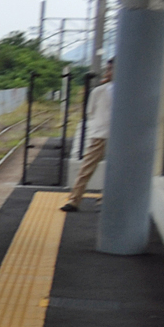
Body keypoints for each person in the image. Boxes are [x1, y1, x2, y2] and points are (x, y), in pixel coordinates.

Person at [63, 59, 113, 212]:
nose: (107, 72)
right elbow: (90, 112)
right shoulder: (99, 91)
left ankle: (106, 198)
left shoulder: (128, 90)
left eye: (110, 69)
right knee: (87, 166)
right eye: (107, 69)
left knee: (115, 168)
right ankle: (74, 200)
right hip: (100, 133)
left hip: (119, 135)